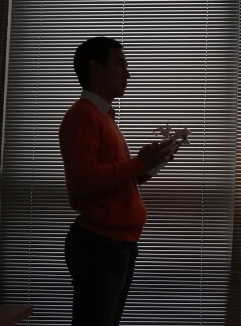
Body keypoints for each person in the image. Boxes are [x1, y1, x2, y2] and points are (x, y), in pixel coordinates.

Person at [59, 36, 171, 326]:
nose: (128, 73)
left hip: (114, 244)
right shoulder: (83, 116)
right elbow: (85, 180)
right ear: (95, 68)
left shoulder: (104, 117)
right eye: (121, 64)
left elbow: (109, 176)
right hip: (100, 245)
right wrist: (137, 164)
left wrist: (148, 166)